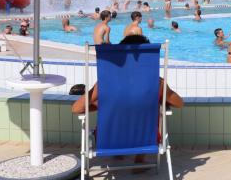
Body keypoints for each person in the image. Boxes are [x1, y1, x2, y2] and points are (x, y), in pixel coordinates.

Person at [71, 34, 184, 164]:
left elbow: (76, 108)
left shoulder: (106, 82)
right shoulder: (156, 83)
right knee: (150, 109)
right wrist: (160, 97)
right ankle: (139, 159)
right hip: (146, 140)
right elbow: (179, 103)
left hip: (109, 139)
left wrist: (100, 105)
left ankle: (118, 153)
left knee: (119, 111)